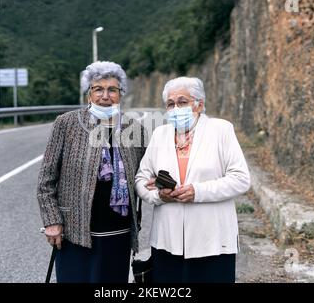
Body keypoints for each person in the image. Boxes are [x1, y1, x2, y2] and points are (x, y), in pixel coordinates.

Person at [37, 61, 146, 282]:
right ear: (89, 94)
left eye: (112, 90)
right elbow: (46, 181)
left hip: (119, 234)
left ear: (120, 94)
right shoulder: (66, 124)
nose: (105, 96)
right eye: (98, 89)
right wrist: (51, 221)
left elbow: (145, 173)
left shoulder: (135, 129)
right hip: (74, 232)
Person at [135, 76, 251, 283]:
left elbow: (241, 178)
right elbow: (141, 179)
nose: (176, 108)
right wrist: (159, 195)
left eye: (182, 102)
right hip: (167, 241)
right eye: (170, 104)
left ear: (199, 104)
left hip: (212, 241)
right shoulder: (160, 134)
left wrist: (197, 191)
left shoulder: (221, 130)